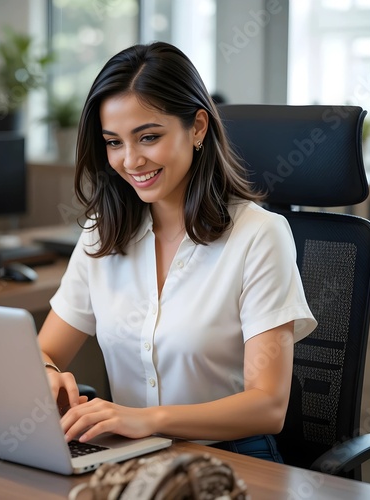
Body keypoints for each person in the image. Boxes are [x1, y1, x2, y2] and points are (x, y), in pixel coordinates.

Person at [38, 41, 317, 463]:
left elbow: (268, 405)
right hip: (133, 457)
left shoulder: (259, 236)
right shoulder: (103, 234)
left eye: (148, 137)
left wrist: (148, 419)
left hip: (234, 459)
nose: (131, 160)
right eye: (114, 142)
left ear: (198, 127)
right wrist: (47, 374)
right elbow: (46, 351)